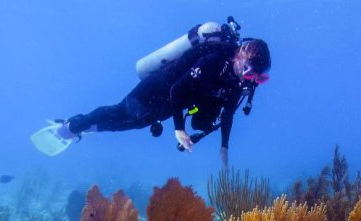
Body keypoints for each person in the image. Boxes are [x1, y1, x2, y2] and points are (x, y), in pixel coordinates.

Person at [51, 36, 271, 169]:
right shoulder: (213, 60)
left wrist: (224, 147)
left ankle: (87, 126)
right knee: (124, 112)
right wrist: (179, 130)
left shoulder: (237, 84)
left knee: (133, 124)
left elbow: (228, 114)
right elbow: (177, 89)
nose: (250, 81)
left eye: (259, 78)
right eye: (249, 73)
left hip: (172, 104)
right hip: (159, 87)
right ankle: (73, 125)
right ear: (240, 55)